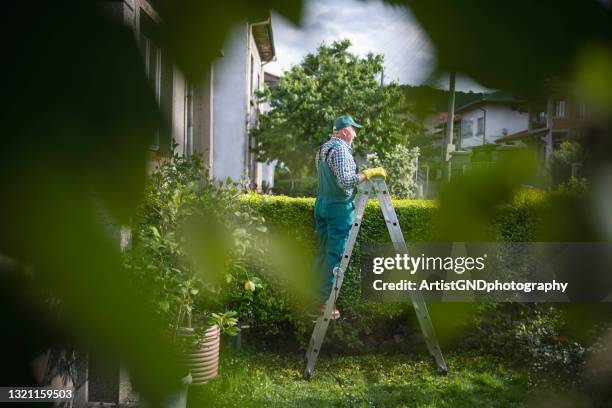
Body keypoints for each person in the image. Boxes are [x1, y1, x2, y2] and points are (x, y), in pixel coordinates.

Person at [311, 114, 387, 319]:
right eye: (354, 129)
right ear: (345, 131)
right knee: (336, 255)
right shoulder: (342, 149)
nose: (356, 133)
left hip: (322, 205)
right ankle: (324, 303)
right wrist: (369, 173)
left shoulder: (323, 149)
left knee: (322, 252)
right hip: (338, 208)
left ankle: (314, 298)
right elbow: (346, 181)